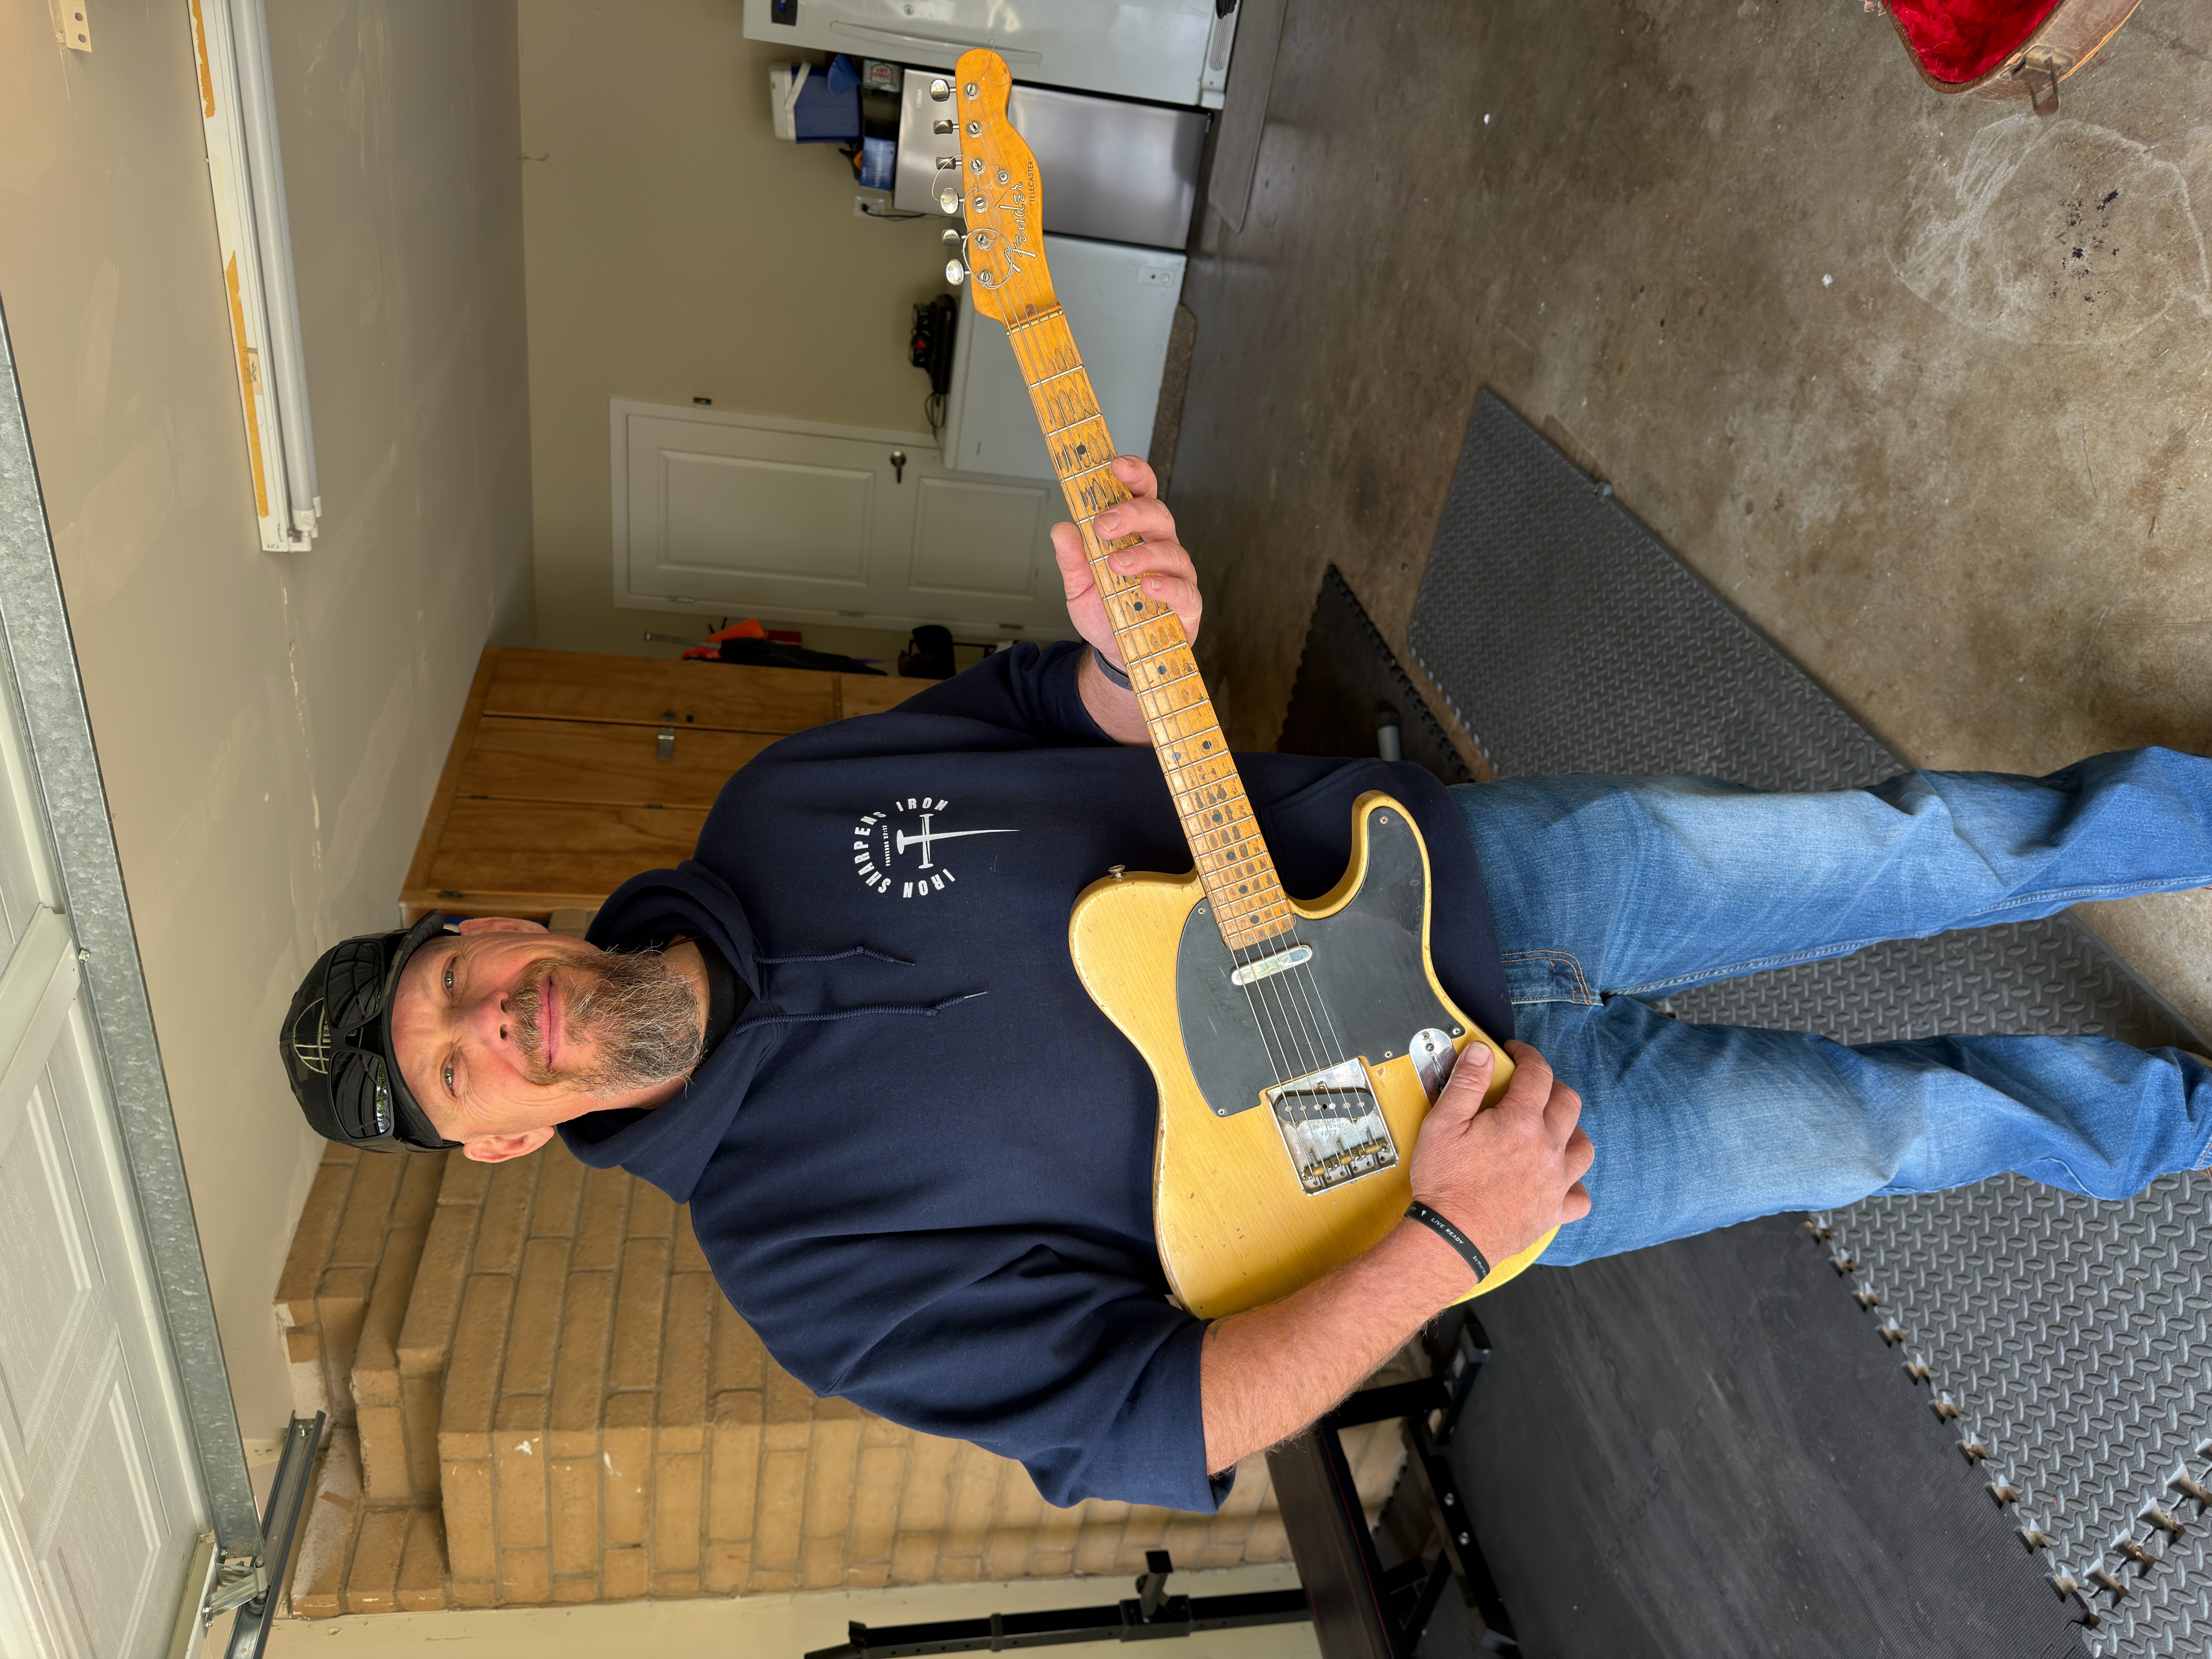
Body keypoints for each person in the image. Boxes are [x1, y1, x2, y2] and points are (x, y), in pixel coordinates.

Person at [280, 455, 2212, 1511]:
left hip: (1481, 874)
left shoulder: (778, 806)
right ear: (506, 1140)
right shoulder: (804, 1274)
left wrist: (1129, 657)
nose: (490, 1024)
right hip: (1494, 1157)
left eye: (459, 977)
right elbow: (1157, 1418)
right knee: (1899, 1127)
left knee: (1906, 845)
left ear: (503, 924)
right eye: (459, 1073)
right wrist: (1446, 1247)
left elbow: (1049, 715)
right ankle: (2180, 1125)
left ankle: (2179, 819)